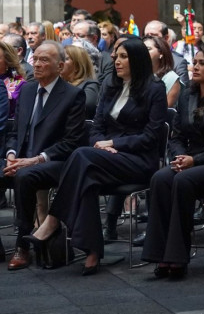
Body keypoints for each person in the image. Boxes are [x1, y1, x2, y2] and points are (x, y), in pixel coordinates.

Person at [25, 37, 167, 274]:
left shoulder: (155, 89)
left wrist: (114, 143)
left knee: (81, 157)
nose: (116, 61)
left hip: (138, 160)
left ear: (137, 60)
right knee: (87, 179)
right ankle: (92, 252)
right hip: (104, 158)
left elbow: (151, 136)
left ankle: (53, 220)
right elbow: (95, 127)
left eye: (123, 57)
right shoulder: (111, 86)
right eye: (116, 57)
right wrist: (101, 146)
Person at [142, 45, 204, 276]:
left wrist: (194, 160)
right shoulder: (187, 94)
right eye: (195, 62)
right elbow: (176, 136)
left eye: (202, 63)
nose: (195, 67)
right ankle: (159, 254)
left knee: (183, 180)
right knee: (160, 178)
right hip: (189, 159)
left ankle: (177, 257)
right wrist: (180, 157)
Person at [3, 42, 87, 271]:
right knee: (13, 171)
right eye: (36, 59)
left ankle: (22, 245)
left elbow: (71, 143)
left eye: (44, 60)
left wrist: (36, 159)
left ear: (60, 66)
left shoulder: (73, 95)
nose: (37, 64)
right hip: (22, 159)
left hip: (56, 162)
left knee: (25, 176)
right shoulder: (27, 90)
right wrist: (11, 154)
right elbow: (14, 132)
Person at [61, 44, 101, 119]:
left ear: (77, 65)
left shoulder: (90, 84)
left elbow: (87, 105)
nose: (60, 62)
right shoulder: (60, 83)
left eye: (65, 59)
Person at [144, 35, 182, 108]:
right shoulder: (138, 74)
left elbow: (164, 109)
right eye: (142, 49)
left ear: (161, 53)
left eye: (148, 49)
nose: (144, 52)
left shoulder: (171, 78)